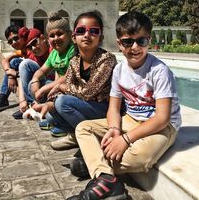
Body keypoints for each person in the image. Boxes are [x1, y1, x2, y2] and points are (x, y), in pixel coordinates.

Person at [67, 11, 181, 200]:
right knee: (83, 128)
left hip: (162, 127)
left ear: (149, 41)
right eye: (128, 42)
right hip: (131, 119)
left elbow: (163, 118)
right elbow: (113, 107)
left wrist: (126, 140)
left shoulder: (159, 71)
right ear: (119, 43)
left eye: (141, 41)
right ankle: (107, 180)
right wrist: (114, 129)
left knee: (141, 158)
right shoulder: (119, 70)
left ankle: (93, 167)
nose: (135, 47)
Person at [34, 11, 117, 149]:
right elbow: (68, 85)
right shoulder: (75, 61)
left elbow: (88, 92)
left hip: (103, 109)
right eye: (81, 30)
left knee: (61, 102)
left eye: (94, 31)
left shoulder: (107, 60)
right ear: (74, 37)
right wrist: (50, 103)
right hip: (84, 106)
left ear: (100, 37)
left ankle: (93, 140)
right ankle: (77, 136)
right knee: (51, 115)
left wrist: (61, 88)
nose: (87, 35)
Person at [26, 12, 75, 134]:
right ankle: (51, 115)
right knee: (32, 85)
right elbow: (42, 70)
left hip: (71, 90)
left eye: (60, 34)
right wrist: (35, 80)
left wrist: (43, 89)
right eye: (52, 36)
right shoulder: (54, 53)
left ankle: (64, 124)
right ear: (48, 39)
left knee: (52, 103)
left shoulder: (72, 50)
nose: (56, 38)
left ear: (69, 35)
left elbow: (69, 76)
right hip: (57, 89)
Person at [0, 25, 47, 113]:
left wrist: (14, 74)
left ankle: (30, 103)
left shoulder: (33, 47)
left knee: (23, 63)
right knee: (14, 62)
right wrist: (10, 75)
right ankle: (3, 97)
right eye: (10, 41)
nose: (14, 43)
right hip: (36, 74)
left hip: (43, 75)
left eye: (16, 38)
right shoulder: (23, 50)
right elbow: (5, 60)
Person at [11, 27, 52, 118]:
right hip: (41, 87)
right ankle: (31, 105)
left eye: (34, 43)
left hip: (53, 85)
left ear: (42, 37)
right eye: (29, 47)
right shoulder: (32, 55)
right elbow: (22, 78)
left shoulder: (53, 49)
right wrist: (22, 100)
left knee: (31, 83)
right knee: (24, 64)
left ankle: (38, 106)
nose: (33, 48)